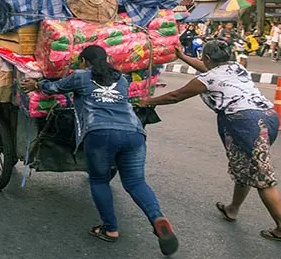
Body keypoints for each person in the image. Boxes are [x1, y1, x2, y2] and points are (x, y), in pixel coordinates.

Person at [20, 46, 178, 256]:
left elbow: (55, 87)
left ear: (84, 61)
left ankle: (110, 228)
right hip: (134, 132)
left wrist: (36, 84)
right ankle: (157, 217)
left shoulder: (80, 76)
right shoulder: (121, 79)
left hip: (100, 133)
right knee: (136, 182)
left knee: (99, 181)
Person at [140, 41, 281, 243]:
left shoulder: (207, 79)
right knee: (244, 166)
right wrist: (183, 57)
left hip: (248, 124)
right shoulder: (235, 67)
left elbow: (176, 96)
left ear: (207, 58)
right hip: (269, 117)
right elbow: (207, 68)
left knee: (262, 176)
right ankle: (232, 209)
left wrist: (147, 101)